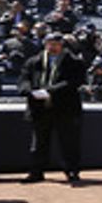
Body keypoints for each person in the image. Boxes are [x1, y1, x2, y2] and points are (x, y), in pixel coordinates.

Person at [18, 32, 86, 183]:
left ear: (61, 45)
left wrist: (50, 90)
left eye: (55, 44)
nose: (52, 47)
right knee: (39, 143)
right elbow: (24, 78)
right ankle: (36, 172)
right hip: (39, 107)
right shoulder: (34, 61)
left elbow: (75, 81)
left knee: (68, 142)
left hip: (64, 107)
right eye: (49, 43)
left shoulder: (73, 62)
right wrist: (29, 91)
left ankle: (71, 171)